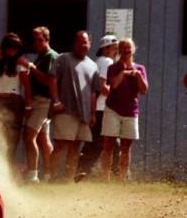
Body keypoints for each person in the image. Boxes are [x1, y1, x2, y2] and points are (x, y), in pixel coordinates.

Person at [50, 31, 100, 181]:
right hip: (66, 110)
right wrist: (56, 101)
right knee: (61, 145)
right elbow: (52, 80)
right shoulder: (63, 58)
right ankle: (52, 178)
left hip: (83, 114)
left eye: (85, 42)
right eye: (79, 42)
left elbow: (93, 93)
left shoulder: (93, 66)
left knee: (75, 147)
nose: (82, 45)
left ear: (90, 44)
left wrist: (92, 113)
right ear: (74, 44)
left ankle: (68, 180)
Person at [100, 38, 148, 182]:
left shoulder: (140, 68)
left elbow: (144, 90)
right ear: (119, 51)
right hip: (113, 109)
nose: (126, 51)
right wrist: (124, 73)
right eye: (123, 48)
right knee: (108, 144)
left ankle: (122, 179)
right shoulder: (113, 68)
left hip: (131, 111)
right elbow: (113, 86)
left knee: (126, 147)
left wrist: (138, 75)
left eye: (129, 48)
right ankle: (105, 178)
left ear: (133, 50)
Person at [78, 35, 119, 180]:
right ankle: (119, 175)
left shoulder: (98, 61)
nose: (116, 49)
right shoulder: (107, 62)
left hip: (99, 108)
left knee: (97, 142)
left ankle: (82, 170)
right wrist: (117, 91)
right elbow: (103, 87)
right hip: (103, 108)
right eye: (114, 47)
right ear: (106, 48)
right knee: (106, 143)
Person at [22, 27, 59, 182]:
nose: (36, 43)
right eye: (34, 39)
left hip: (43, 101)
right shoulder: (42, 56)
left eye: (39, 40)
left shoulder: (50, 56)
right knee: (43, 139)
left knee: (29, 136)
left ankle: (33, 175)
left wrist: (30, 67)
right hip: (42, 101)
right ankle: (49, 175)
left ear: (46, 39)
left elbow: (48, 80)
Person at [0, 33, 30, 164]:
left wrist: (28, 106)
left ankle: (8, 164)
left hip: (14, 102)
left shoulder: (20, 63)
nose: (12, 50)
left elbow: (27, 87)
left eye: (15, 47)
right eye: (9, 47)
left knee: (12, 137)